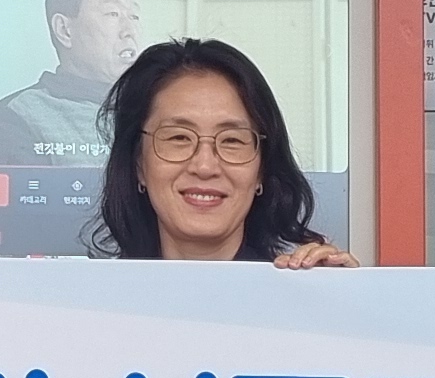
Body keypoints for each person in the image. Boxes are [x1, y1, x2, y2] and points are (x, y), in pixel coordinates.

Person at [90, 39, 355, 266]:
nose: (205, 166)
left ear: (261, 169)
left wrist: (338, 300)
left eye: (232, 141)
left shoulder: (301, 297)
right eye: (179, 137)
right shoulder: (92, 301)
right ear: (138, 164)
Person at [0, 0, 140, 165]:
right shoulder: (15, 117)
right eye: (112, 14)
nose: (130, 31)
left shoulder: (153, 106)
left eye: (134, 17)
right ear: (64, 30)